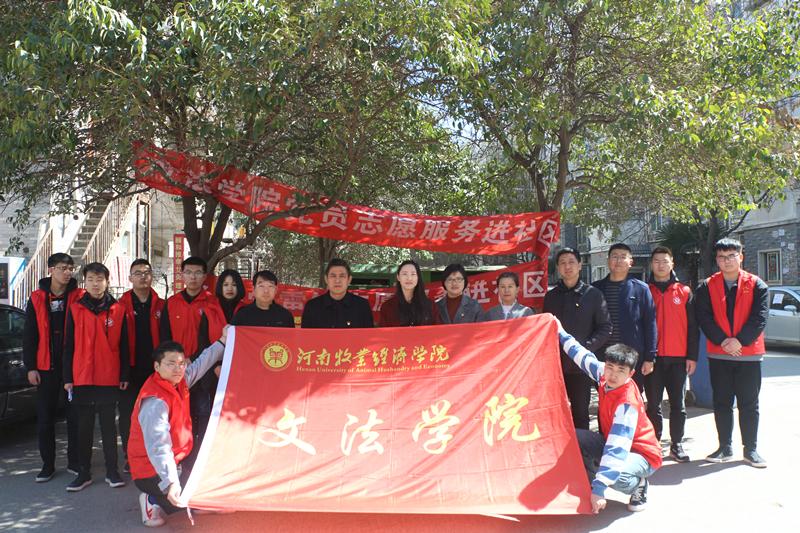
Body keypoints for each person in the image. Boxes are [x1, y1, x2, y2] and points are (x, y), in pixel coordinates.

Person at [128, 330, 227, 527]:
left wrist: (223, 341)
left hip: (179, 457)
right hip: (151, 467)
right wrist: (171, 482)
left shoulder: (179, 382)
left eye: (181, 363)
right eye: (171, 363)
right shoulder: (155, 401)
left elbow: (202, 362)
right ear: (157, 366)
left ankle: (193, 498)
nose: (178, 368)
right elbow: (159, 447)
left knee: (206, 482)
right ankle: (151, 499)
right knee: (183, 495)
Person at [559, 328, 662, 514]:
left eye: (621, 370)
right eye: (610, 367)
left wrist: (600, 489)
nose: (613, 375)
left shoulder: (626, 404)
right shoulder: (604, 375)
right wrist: (558, 330)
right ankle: (593, 482)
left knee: (616, 475)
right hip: (612, 441)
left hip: (642, 454)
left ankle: (638, 485)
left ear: (631, 373)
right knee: (572, 437)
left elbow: (617, 447)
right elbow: (581, 355)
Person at [695, 238, 769, 468]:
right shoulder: (707, 286)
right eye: (721, 257)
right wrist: (723, 341)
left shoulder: (757, 285)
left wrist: (739, 341)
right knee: (722, 403)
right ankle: (725, 447)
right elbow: (703, 317)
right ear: (716, 260)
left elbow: (759, 318)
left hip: (749, 354)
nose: (726, 261)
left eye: (731, 256)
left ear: (741, 257)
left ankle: (751, 450)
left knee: (749, 404)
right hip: (719, 354)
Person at [63, 262, 129, 492]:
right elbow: (68, 346)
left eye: (99, 279)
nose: (95, 284)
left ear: (107, 282)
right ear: (85, 282)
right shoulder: (75, 309)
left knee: (109, 428)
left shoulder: (118, 309)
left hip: (108, 377)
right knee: (84, 428)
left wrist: (124, 374)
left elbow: (125, 345)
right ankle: (84, 473)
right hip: (82, 377)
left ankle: (112, 471)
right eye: (90, 279)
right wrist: (68, 377)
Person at [22, 252, 82, 482]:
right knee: (45, 418)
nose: (67, 273)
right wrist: (31, 367)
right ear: (50, 270)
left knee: (74, 416)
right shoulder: (37, 298)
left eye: (70, 268)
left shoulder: (79, 296)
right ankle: (47, 464)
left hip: (72, 367)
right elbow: (29, 335)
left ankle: (75, 461)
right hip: (45, 367)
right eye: (62, 268)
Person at [160, 257, 226, 447]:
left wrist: (194, 358)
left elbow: (216, 337)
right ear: (182, 275)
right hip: (177, 371)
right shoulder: (172, 303)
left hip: (205, 369)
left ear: (205, 276)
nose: (193, 277)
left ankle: (200, 456)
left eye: (197, 273)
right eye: (188, 272)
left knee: (203, 414)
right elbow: (165, 337)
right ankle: (182, 455)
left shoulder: (212, 303)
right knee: (180, 416)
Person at [543, 248, 611, 430]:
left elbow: (605, 328)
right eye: (563, 263)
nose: (567, 266)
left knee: (580, 414)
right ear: (558, 268)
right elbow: (546, 331)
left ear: (580, 265)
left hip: (581, 366)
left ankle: (582, 448)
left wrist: (583, 350)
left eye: (571, 262)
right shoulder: (551, 297)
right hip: (557, 366)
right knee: (557, 413)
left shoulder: (593, 295)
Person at [645, 246, 698, 462]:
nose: (661, 265)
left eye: (664, 261)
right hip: (653, 359)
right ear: (651, 264)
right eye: (656, 261)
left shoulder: (684, 291)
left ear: (672, 263)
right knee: (653, 405)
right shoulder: (645, 290)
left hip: (678, 359)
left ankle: (676, 444)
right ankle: (654, 444)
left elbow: (693, 327)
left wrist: (692, 356)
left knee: (678, 405)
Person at [117, 259, 165, 472]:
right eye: (138, 273)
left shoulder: (161, 305)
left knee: (156, 414)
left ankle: (153, 456)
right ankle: (131, 456)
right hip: (130, 370)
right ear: (130, 278)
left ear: (152, 276)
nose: (143, 277)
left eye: (146, 272)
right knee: (129, 415)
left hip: (155, 370)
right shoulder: (119, 306)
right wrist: (122, 372)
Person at [592, 243, 657, 392]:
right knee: (605, 398)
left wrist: (650, 358)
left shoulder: (641, 289)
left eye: (623, 257)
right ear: (608, 260)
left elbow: (650, 324)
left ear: (630, 262)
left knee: (631, 399)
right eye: (614, 256)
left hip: (631, 359)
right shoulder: (596, 289)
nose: (618, 261)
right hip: (603, 358)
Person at [301, 258, 373, 328]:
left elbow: (369, 335)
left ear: (349, 279)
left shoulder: (362, 307)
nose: (337, 280)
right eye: (333, 276)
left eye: (342, 276)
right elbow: (305, 335)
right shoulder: (312, 307)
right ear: (326, 279)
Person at [378, 260, 440, 326]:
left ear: (418, 277)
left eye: (413, 274)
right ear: (398, 277)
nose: (409, 278)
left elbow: (437, 330)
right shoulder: (387, 307)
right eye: (404, 274)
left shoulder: (431, 306)